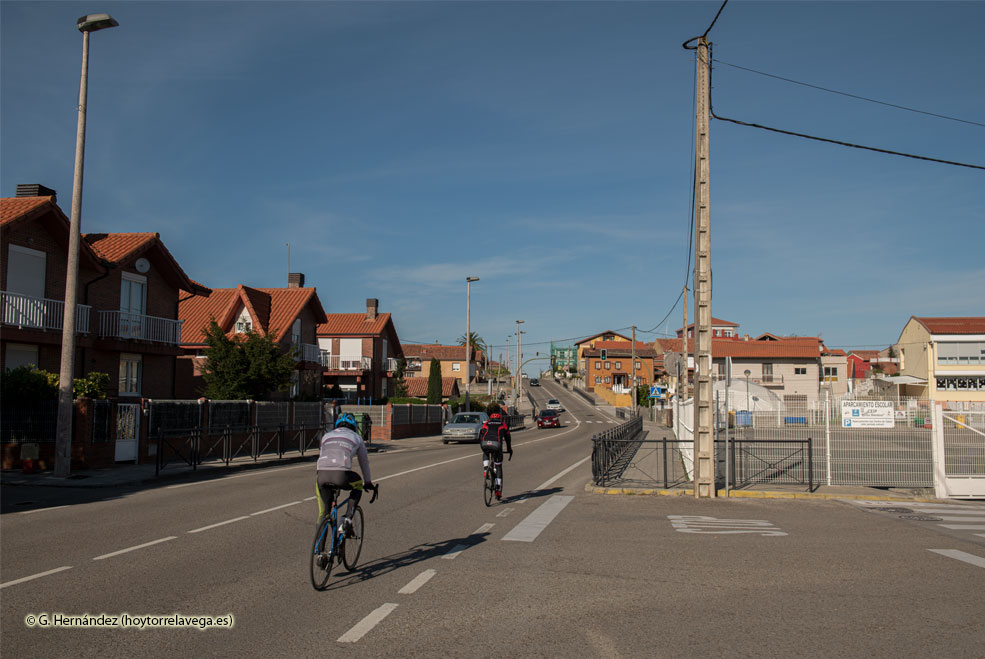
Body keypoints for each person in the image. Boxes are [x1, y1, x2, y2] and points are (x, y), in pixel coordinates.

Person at [315, 412, 375, 536]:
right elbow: (364, 462)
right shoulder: (357, 437)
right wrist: (368, 482)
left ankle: (320, 552)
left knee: (324, 513)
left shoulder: (327, 436)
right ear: (353, 426)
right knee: (358, 484)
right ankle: (347, 519)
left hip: (321, 476)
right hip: (341, 475)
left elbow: (323, 456)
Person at [479, 403, 513, 500]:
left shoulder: (486, 424)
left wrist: (482, 445)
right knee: (498, 466)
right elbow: (508, 438)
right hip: (496, 445)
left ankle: (486, 469)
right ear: (500, 418)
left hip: (485, 443)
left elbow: (481, 435)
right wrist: (509, 449)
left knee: (485, 452)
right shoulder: (503, 425)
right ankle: (498, 490)